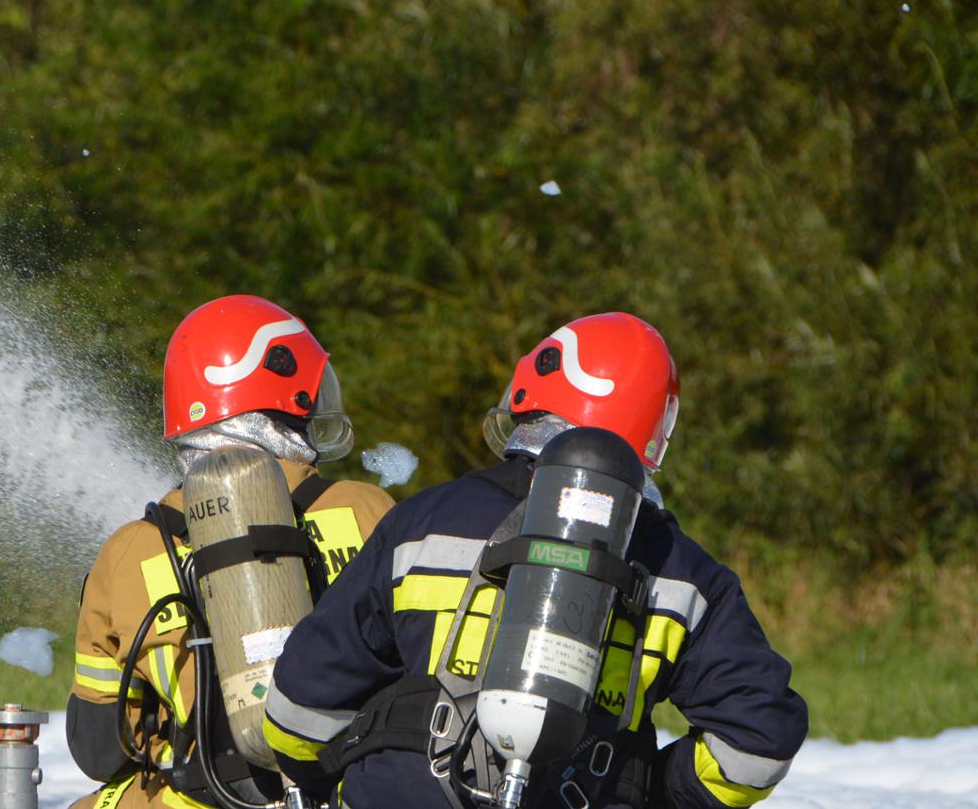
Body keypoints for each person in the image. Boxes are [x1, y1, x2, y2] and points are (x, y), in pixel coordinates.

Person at [262, 312, 807, 809]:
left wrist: (332, 774)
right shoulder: (682, 572)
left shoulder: (420, 523)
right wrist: (651, 785)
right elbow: (756, 749)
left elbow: (297, 709)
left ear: (527, 400)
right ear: (654, 430)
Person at [67, 294, 397, 809]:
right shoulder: (367, 508)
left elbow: (99, 750)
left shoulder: (131, 550)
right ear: (288, 401)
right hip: (351, 789)